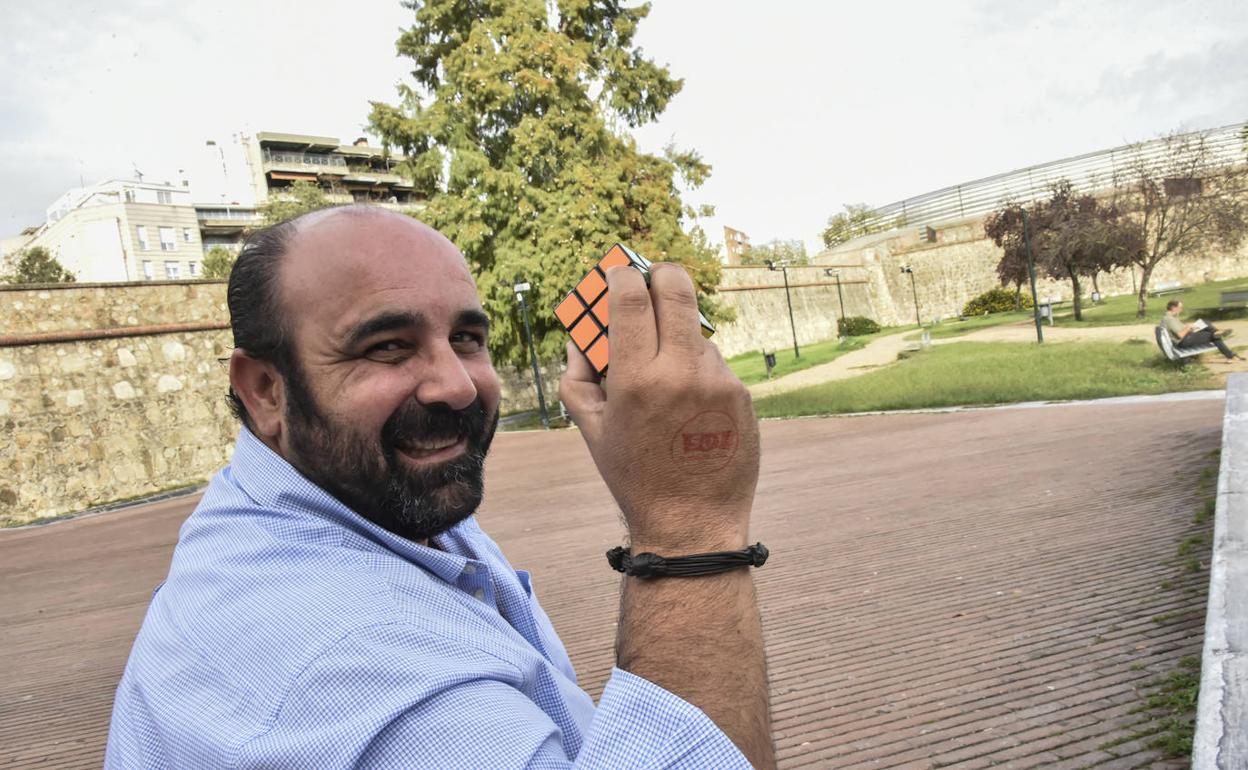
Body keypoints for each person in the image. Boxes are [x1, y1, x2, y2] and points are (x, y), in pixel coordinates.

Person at [105, 205, 775, 769]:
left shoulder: (351, 498)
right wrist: (689, 525)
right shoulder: (360, 671)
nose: (456, 384)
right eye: (387, 346)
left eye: (466, 337)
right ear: (265, 390)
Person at [1161, 299, 1243, 361]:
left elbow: (1180, 329)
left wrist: (1190, 327)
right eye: (1180, 307)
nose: (1181, 310)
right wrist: (1189, 327)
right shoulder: (1169, 319)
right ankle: (1230, 354)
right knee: (1214, 336)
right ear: (1173, 308)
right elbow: (1180, 335)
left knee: (1204, 322)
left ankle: (1219, 334)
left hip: (1187, 337)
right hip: (1184, 341)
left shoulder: (1170, 317)